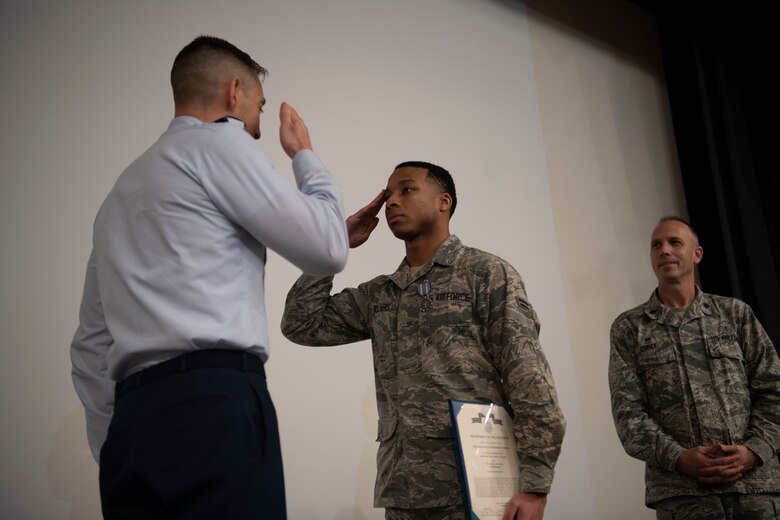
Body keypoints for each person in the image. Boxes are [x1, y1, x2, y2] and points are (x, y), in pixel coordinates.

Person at [70, 35, 349, 519]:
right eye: (259, 109)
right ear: (234, 92)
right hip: (213, 407)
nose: (259, 130)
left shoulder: (120, 193)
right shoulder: (218, 144)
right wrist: (305, 156)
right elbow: (327, 249)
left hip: (130, 431)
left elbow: (91, 346)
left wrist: (113, 441)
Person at [282, 161, 565, 520]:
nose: (391, 202)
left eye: (407, 189)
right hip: (402, 494)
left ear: (444, 201)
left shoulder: (485, 274)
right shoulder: (382, 293)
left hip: (474, 492)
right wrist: (333, 243)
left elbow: (529, 379)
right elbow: (300, 323)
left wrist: (535, 483)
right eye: (388, 195)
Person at [609, 216, 780, 519]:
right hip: (683, 497)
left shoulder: (735, 314)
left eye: (675, 242)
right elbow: (629, 415)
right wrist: (678, 458)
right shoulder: (629, 328)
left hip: (755, 491)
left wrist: (755, 451)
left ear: (696, 254)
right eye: (656, 245)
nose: (664, 250)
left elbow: (774, 390)